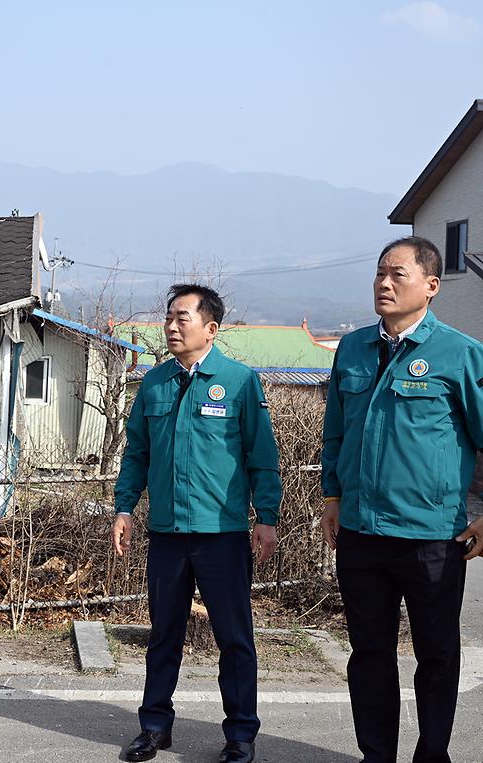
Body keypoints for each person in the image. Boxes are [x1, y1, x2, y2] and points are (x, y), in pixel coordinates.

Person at [320, 236, 483, 763]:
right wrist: (332, 496)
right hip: (362, 535)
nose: (384, 283)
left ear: (431, 286)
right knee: (369, 655)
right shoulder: (353, 347)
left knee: (436, 654)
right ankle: (376, 755)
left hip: (432, 537)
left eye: (397, 274)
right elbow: (336, 430)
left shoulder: (458, 353)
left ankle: (432, 753)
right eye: (378, 274)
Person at [112, 284, 282, 763]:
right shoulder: (154, 383)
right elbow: (137, 454)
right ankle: (154, 729)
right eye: (168, 317)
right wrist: (125, 507)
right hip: (167, 535)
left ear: (210, 328)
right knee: (163, 635)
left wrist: (265, 518)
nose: (170, 326)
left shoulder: (240, 381)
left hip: (222, 536)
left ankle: (240, 735)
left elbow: (262, 458)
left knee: (234, 638)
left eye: (181, 318)